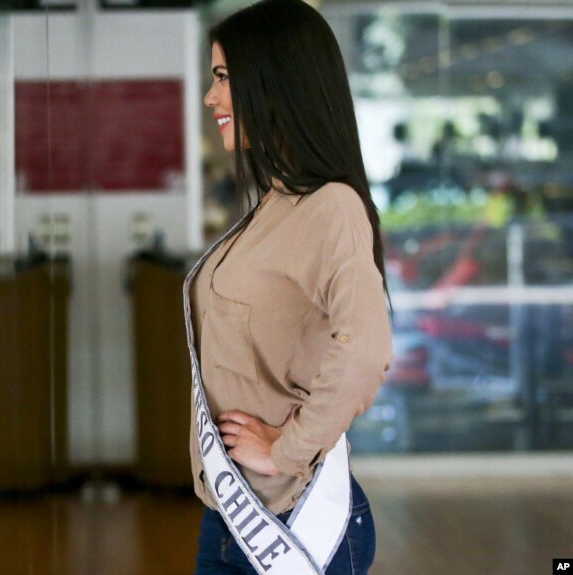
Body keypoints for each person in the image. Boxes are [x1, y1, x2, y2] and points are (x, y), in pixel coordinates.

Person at [187, 1, 393, 574]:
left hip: (293, 520)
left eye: (223, 78)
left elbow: (367, 351)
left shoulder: (331, 208)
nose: (211, 97)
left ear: (273, 82)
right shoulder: (277, 205)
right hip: (231, 512)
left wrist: (286, 449)